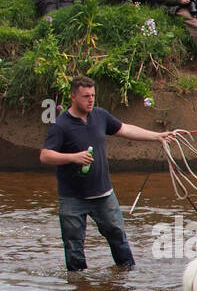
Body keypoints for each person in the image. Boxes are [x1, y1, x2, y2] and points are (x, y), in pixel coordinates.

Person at [40, 75, 175, 271]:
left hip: (103, 195)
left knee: (118, 237)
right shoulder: (62, 124)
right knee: (73, 247)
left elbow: (125, 129)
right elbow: (45, 155)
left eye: (93, 95)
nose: (91, 100)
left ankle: (127, 276)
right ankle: (79, 290)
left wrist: (157, 136)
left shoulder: (100, 115)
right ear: (73, 97)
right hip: (72, 199)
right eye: (86, 96)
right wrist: (73, 157)